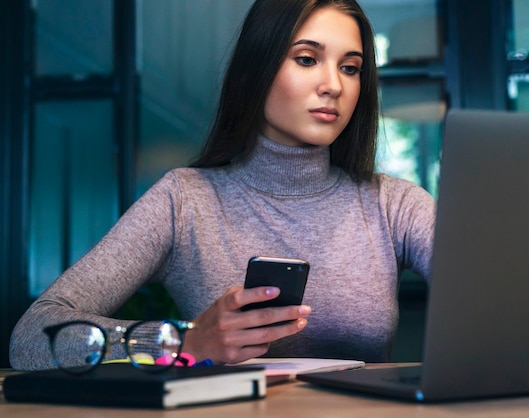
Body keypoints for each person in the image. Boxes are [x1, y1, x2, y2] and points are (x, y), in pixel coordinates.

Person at [10, 0, 435, 371]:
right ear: (256, 71)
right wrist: (183, 341)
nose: (334, 85)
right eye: (307, 59)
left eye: (350, 68)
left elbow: (494, 298)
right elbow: (32, 337)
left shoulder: (393, 205)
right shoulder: (185, 201)